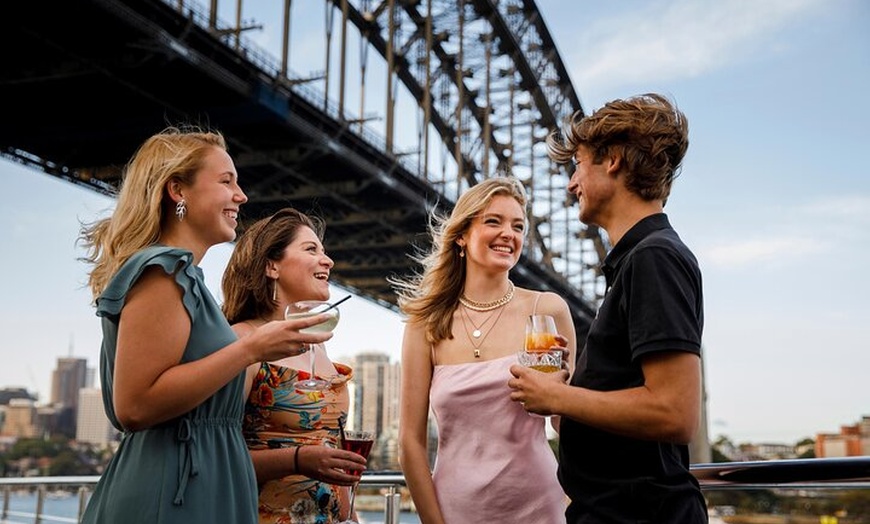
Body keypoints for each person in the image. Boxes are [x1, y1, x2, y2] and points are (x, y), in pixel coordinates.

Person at [78, 127, 334, 524]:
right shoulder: (162, 272)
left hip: (202, 491)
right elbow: (134, 406)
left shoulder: (189, 281)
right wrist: (250, 350)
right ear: (178, 191)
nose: (241, 195)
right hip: (169, 498)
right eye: (226, 181)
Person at [509, 93, 707, 523]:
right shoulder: (640, 260)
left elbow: (675, 412)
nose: (570, 183)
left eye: (578, 164)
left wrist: (557, 394)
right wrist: (568, 396)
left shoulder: (654, 257)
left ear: (612, 160)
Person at [392, 176, 577, 524]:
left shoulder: (548, 311)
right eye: (494, 221)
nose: (509, 233)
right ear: (461, 234)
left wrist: (561, 394)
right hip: (453, 509)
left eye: (518, 226)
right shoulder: (425, 323)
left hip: (539, 505)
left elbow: (563, 426)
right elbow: (410, 443)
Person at [221, 207, 368, 523]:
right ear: (272, 266)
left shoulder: (317, 345)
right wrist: (298, 460)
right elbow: (217, 459)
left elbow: (330, 450)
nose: (327, 260)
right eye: (311, 249)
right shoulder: (242, 341)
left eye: (324, 251)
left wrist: (352, 517)